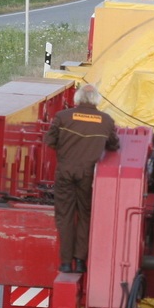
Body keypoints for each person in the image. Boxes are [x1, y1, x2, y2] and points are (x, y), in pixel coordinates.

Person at [44, 84, 119, 273]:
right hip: (88, 175)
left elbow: (50, 141)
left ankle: (66, 263)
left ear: (77, 99)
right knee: (86, 215)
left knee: (65, 216)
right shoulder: (106, 121)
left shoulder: (63, 117)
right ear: (96, 100)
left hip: (65, 173)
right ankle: (79, 261)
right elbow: (114, 145)